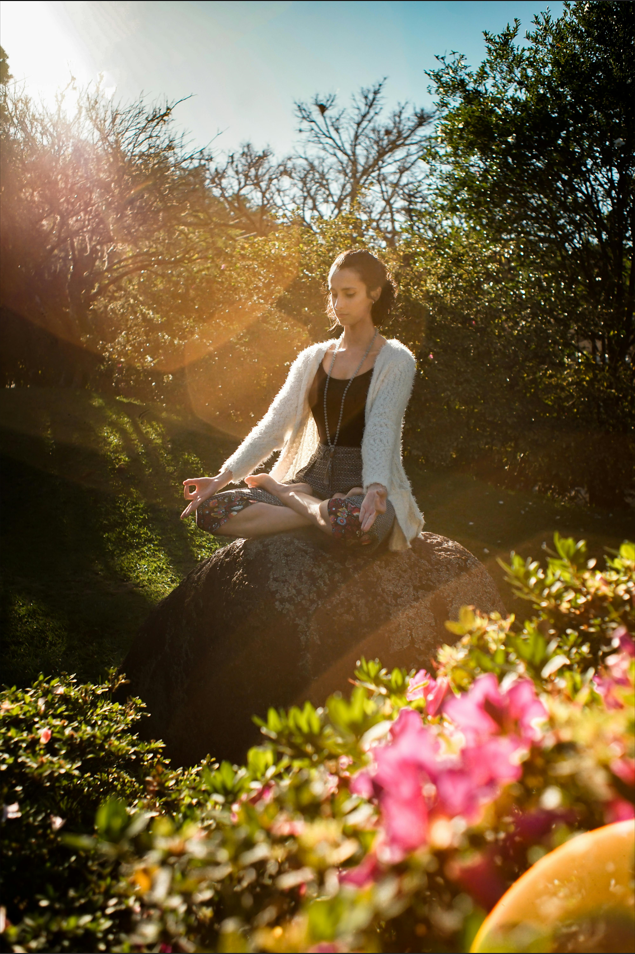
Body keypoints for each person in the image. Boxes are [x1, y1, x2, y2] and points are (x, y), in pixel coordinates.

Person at [180, 249, 424, 552]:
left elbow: (381, 429)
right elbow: (273, 425)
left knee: (354, 524)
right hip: (313, 477)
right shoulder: (312, 359)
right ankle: (308, 507)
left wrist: (375, 487)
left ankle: (283, 493)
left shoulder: (397, 360)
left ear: (374, 292)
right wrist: (220, 478)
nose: (338, 305)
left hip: (362, 484)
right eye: (333, 294)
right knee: (210, 511)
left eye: (349, 294)